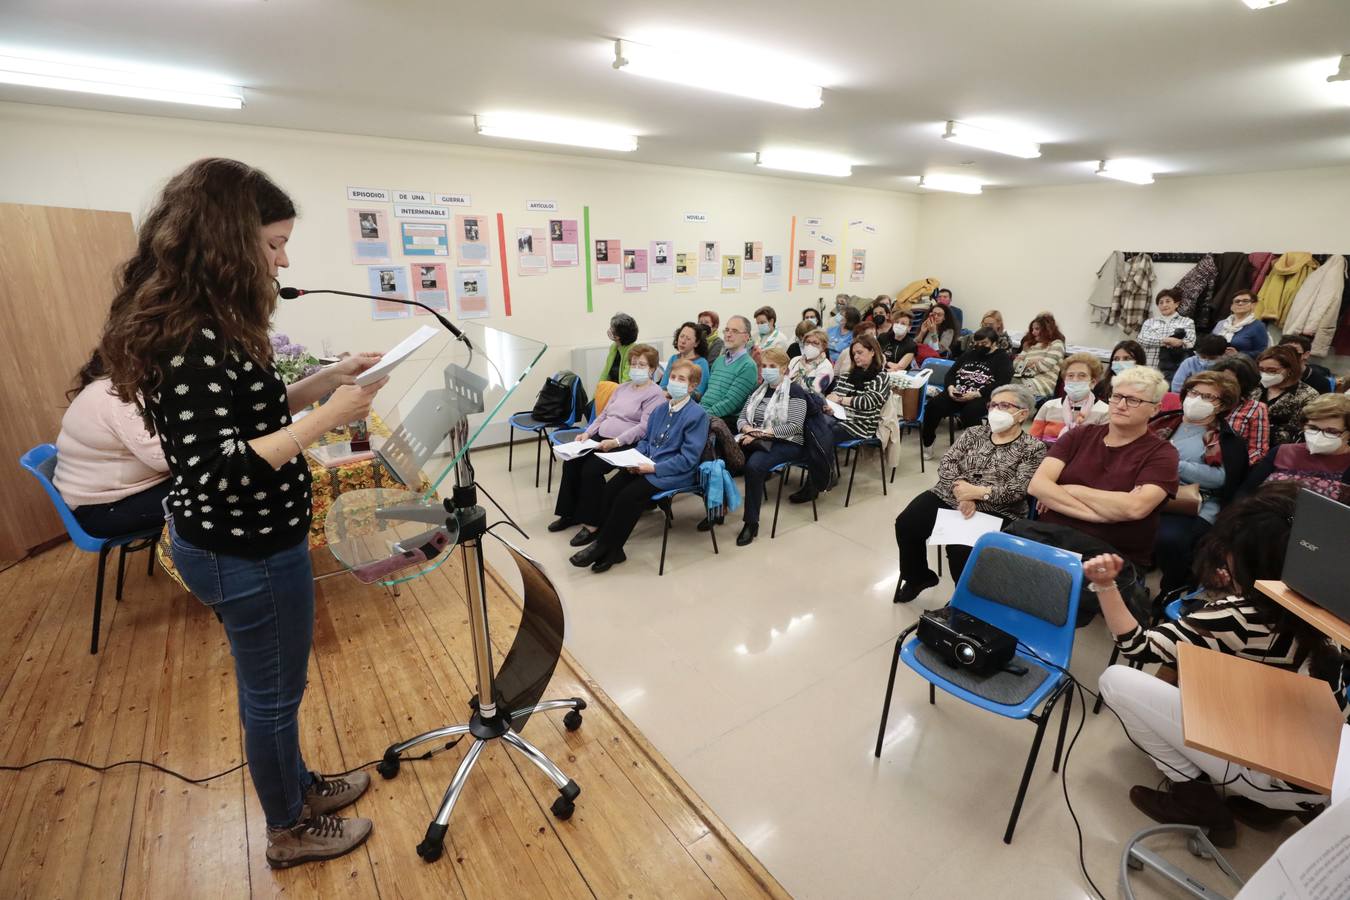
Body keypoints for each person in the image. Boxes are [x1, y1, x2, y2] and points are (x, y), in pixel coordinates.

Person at [98, 158, 388, 867]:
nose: (284, 258)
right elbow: (219, 466)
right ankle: (288, 828)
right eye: (272, 244)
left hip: (255, 541)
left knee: (281, 686)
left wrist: (327, 380)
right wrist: (330, 419)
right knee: (272, 696)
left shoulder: (211, 324)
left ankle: (297, 788)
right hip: (242, 550)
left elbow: (247, 416)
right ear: (226, 240)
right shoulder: (190, 338)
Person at [1095, 485, 1342, 843]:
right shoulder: (1324, 609)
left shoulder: (1240, 618)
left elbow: (1136, 646)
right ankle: (1273, 806)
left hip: (1275, 770)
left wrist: (1104, 585)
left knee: (1116, 681)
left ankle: (1195, 802)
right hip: (1323, 773)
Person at [893, 384, 1045, 603]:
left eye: (1004, 405)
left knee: (960, 549)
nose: (995, 410)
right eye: (993, 405)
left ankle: (963, 601)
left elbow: (1018, 489)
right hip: (950, 494)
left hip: (998, 509)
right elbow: (948, 463)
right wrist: (962, 491)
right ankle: (918, 577)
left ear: (1022, 414)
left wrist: (978, 494)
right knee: (907, 523)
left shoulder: (1033, 448)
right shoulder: (975, 432)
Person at [1028, 365, 1179, 571]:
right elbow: (1037, 486)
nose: (1121, 405)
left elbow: (1135, 508)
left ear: (1155, 409)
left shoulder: (1162, 453)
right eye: (1116, 396)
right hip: (1051, 539)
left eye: (1134, 400)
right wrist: (1105, 514)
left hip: (1111, 556)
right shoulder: (1079, 435)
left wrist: (1067, 489)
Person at [568, 361, 710, 573]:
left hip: (675, 472)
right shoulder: (661, 409)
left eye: (682, 379)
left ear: (692, 386)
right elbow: (646, 441)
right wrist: (633, 459)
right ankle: (614, 551)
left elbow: (688, 459)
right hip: (647, 464)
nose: (675, 382)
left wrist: (652, 468)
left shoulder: (697, 415)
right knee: (611, 488)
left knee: (629, 496)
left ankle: (602, 547)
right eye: (673, 377)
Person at [550, 344, 666, 547]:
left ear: (652, 369)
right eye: (633, 363)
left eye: (641, 364)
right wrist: (587, 433)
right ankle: (570, 514)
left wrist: (616, 442)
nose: (635, 367)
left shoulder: (655, 394)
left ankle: (593, 523)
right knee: (571, 462)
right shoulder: (622, 387)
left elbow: (644, 427)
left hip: (627, 443)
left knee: (591, 470)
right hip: (601, 436)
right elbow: (603, 414)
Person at [52, 351, 173, 537]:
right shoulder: (118, 397)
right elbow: (163, 459)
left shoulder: (106, 385)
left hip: (103, 499)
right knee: (210, 496)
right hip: (103, 509)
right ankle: (208, 564)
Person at [1148, 370, 1249, 594]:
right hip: (1147, 489)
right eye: (1194, 392)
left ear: (1222, 405)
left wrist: (1172, 462)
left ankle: (1171, 590)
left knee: (1170, 540)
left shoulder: (1225, 439)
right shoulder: (1162, 421)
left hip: (1193, 502)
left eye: (1208, 397)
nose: (1196, 400)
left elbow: (1220, 478)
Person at [790, 335, 888, 503]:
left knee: (820, 433)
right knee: (816, 427)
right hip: (838, 417)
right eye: (853, 354)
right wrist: (830, 404)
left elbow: (869, 401)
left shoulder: (881, 376)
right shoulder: (850, 374)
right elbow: (834, 394)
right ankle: (827, 474)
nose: (856, 357)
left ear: (872, 352)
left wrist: (842, 400)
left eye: (860, 352)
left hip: (860, 424)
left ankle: (815, 483)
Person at [733, 349, 809, 546]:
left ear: (784, 369)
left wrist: (758, 434)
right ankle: (717, 510)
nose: (767, 370)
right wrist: (747, 429)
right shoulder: (758, 390)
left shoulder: (795, 391)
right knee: (723, 455)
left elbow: (794, 426)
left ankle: (751, 522)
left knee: (754, 467)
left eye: (772, 367)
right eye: (764, 366)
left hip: (787, 442)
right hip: (755, 438)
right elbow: (741, 418)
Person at [920, 327, 1013, 456]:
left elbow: (1002, 382)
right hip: (959, 391)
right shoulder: (970, 353)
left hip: (983, 395)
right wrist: (950, 387)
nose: (980, 346)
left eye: (984, 344)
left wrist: (977, 393)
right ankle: (928, 442)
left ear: (994, 343)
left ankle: (979, 448)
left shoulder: (1002, 358)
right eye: (977, 343)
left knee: (970, 413)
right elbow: (951, 373)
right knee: (933, 406)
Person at [1243, 393, 1350, 502]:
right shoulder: (1282, 452)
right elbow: (1246, 492)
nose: (1319, 435)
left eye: (1331, 431)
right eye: (1313, 428)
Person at [1029, 353, 1110, 443]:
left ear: (1093, 382)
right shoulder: (1049, 406)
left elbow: (1101, 448)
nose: (1075, 380)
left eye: (1082, 375)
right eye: (1070, 375)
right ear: (1064, 381)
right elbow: (1032, 441)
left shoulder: (1105, 411)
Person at [698, 315, 759, 431]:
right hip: (704, 412)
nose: (728, 334)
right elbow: (709, 392)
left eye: (735, 331)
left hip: (723, 420)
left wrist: (700, 416)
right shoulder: (719, 360)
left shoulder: (748, 366)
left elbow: (730, 404)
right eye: (727, 330)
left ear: (746, 337)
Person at [1210, 354, 1270, 466]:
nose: (1224, 385)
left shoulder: (1256, 408)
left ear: (1244, 384)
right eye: (1220, 379)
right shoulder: (1204, 400)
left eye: (1231, 381)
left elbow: (1258, 451)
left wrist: (1234, 467)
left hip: (1231, 466)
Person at [1258, 344, 1319, 446]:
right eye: (1261, 369)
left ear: (1290, 369)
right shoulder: (1255, 387)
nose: (1265, 374)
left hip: (1280, 448)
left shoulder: (1308, 395)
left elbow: (1300, 432)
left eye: (1272, 371)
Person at [1136, 289, 1197, 381]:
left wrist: (1179, 342)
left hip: (1173, 370)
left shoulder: (1187, 322)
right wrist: (1165, 341)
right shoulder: (1149, 322)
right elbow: (1141, 339)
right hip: (1149, 368)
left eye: (1168, 301)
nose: (1164, 305)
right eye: (1161, 303)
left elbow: (1190, 342)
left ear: (1176, 304)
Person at [1011, 312, 1067, 400]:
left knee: (1011, 385)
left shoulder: (1056, 344)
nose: (1033, 332)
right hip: (1022, 382)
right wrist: (1033, 361)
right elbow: (1015, 366)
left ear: (1047, 330)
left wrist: (1023, 364)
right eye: (1032, 329)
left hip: (1043, 386)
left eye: (1037, 329)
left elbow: (1043, 367)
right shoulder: (1029, 345)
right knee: (1007, 384)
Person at [1211, 290, 1268, 358]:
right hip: (1214, 363)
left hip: (1240, 365)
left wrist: (1238, 354)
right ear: (1231, 306)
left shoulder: (1258, 326)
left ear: (1253, 305)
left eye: (1245, 301)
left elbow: (1262, 352)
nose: (1240, 303)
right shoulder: (1221, 323)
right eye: (1237, 301)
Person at [659, 322, 710, 397]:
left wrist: (671, 395)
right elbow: (663, 385)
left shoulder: (702, 363)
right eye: (681, 336)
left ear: (696, 343)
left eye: (688, 339)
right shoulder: (673, 358)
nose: (683, 341)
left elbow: (698, 393)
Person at [597, 312, 639, 393]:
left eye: (612, 328)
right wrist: (598, 393)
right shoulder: (614, 347)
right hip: (611, 390)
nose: (609, 330)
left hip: (621, 394)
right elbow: (605, 373)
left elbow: (626, 382)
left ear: (619, 336)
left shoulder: (634, 351)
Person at [788, 328, 834, 395]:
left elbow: (815, 392)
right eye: (808, 342)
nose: (810, 346)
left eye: (815, 343)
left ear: (823, 347)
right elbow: (784, 380)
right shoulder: (795, 360)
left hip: (810, 402)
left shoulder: (826, 366)